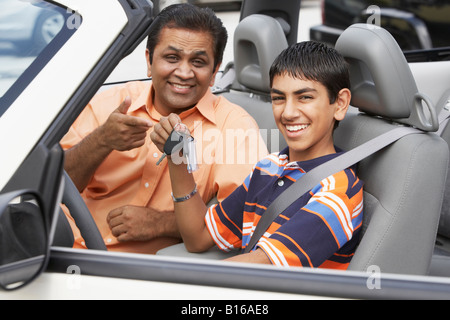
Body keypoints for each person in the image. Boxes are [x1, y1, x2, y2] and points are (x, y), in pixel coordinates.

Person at [60, 4, 268, 254]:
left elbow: (243, 220)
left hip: (139, 274)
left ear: (214, 73)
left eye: (198, 62)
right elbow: (52, 187)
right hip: (60, 248)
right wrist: (102, 141)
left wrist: (161, 223)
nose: (183, 72)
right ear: (149, 61)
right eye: (171, 58)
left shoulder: (234, 127)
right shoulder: (110, 104)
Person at [151, 41, 364, 268]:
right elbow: (199, 237)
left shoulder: (338, 191)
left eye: (305, 97)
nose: (288, 113)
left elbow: (259, 267)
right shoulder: (269, 167)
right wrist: (177, 157)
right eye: (278, 98)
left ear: (340, 104)